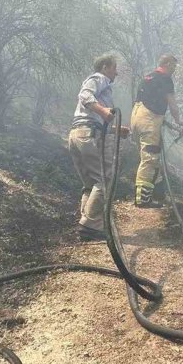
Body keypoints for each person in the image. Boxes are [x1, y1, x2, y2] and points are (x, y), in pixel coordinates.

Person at [68, 53, 130, 241]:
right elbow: (85, 95)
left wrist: (115, 130)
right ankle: (90, 226)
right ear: (104, 67)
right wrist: (104, 111)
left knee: (90, 183)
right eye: (114, 68)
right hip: (89, 135)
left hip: (78, 134)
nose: (116, 73)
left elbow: (94, 119)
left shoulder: (102, 86)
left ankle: (87, 224)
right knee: (106, 179)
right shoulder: (99, 78)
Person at [130, 54, 183, 208]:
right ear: (166, 64)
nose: (174, 69)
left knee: (151, 157)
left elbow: (148, 100)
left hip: (136, 117)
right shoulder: (166, 79)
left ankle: (158, 194)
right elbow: (172, 105)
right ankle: (142, 199)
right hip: (149, 121)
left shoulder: (148, 77)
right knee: (150, 158)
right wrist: (179, 122)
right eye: (173, 66)